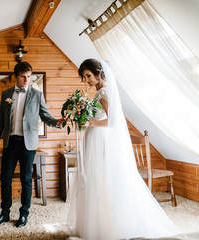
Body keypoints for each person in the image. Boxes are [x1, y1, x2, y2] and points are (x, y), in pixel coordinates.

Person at [64, 59, 180, 239]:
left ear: (98, 73)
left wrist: (88, 121)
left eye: (88, 76)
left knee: (102, 180)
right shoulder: (100, 91)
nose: (86, 80)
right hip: (95, 139)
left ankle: (108, 226)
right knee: (96, 181)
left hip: (102, 140)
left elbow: (113, 122)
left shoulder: (105, 92)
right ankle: (97, 223)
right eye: (84, 77)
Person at [0, 61, 64, 228]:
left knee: (26, 180)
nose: (26, 80)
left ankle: (24, 214)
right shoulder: (5, 94)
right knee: (6, 179)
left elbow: (45, 116)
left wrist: (57, 122)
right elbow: (0, 121)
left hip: (28, 144)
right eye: (23, 77)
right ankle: (5, 213)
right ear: (16, 76)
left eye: (29, 77)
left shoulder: (37, 95)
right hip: (10, 142)